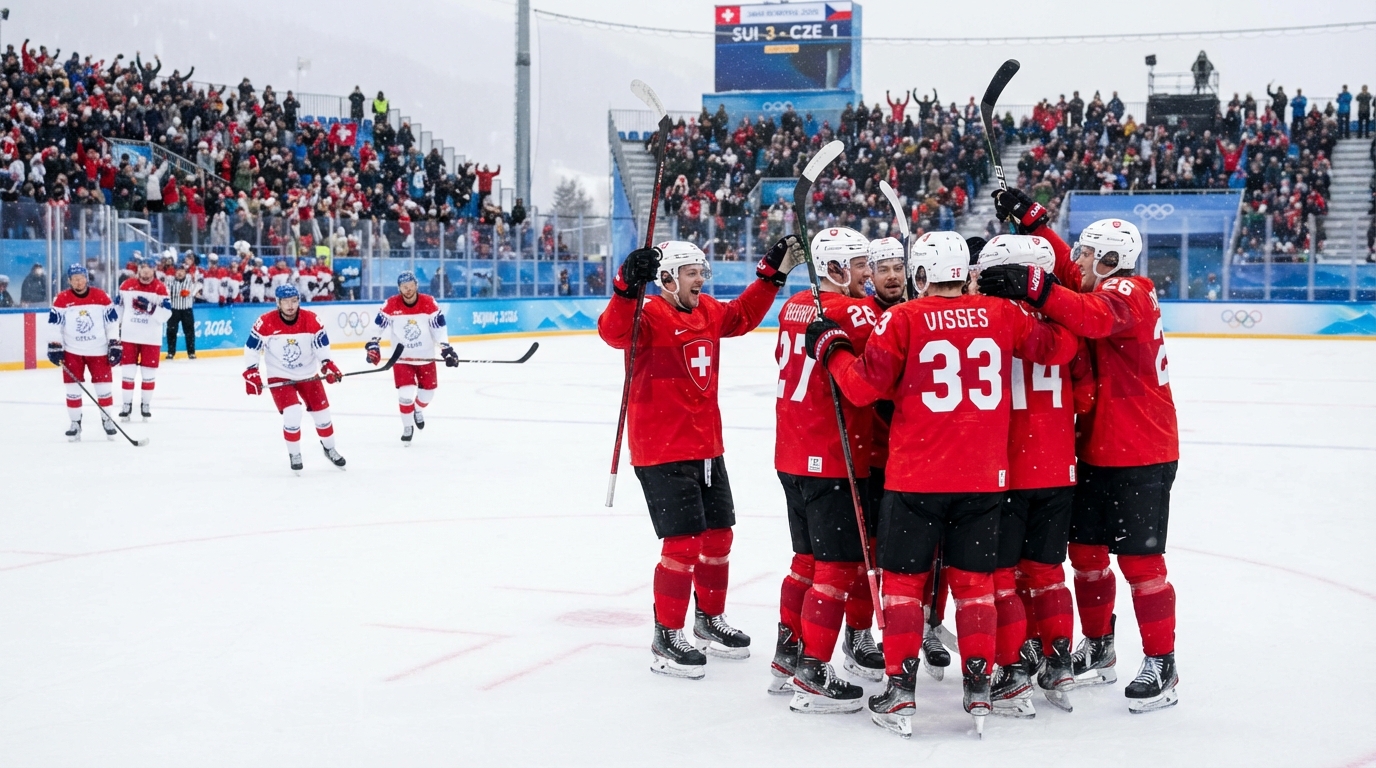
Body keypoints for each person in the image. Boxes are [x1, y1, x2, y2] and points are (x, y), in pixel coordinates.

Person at [804, 231, 1078, 737]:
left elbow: (862, 389)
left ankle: (900, 691)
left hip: (916, 477)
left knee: (906, 586)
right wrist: (1048, 291)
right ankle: (981, 684)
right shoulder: (1001, 315)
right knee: (975, 584)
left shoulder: (901, 318)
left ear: (921, 275)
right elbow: (1060, 347)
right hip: (984, 477)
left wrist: (832, 350)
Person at [978, 210, 1182, 714]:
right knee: (1087, 558)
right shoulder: (1104, 281)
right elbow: (1068, 275)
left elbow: (1091, 315)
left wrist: (1031, 282)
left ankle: (1163, 661)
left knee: (1140, 563)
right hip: (1093, 448)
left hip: (1140, 451)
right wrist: (1035, 223)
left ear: (1113, 261)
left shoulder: (1129, 292)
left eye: (1089, 255)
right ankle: (1101, 647)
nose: (1077, 262)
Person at [596, 237, 801, 679]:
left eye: (701, 272)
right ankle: (666, 635)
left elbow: (743, 316)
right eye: (692, 273)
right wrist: (626, 286)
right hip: (662, 449)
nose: (701, 280)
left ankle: (708, 619)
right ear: (666, 279)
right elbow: (612, 332)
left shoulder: (707, 309)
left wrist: (771, 275)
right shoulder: (647, 315)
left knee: (719, 537)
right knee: (684, 544)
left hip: (707, 446)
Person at [969, 234, 1091, 718]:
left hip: (1007, 469)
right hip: (1058, 466)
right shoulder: (1066, 321)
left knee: (1002, 575)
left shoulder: (992, 320)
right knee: (1045, 571)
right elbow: (1084, 394)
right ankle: (1058, 661)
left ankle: (1014, 671)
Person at [769, 228, 880, 713]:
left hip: (792, 454)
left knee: (806, 562)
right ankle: (814, 670)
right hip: (833, 456)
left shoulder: (795, 304)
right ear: (834, 269)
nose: (868, 274)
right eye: (858, 265)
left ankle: (787, 656)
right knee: (836, 568)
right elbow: (873, 383)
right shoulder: (852, 310)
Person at [243, 284, 346, 473]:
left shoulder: (311, 320)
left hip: (308, 375)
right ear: (278, 303)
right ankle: (295, 453)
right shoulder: (265, 322)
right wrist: (252, 371)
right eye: (285, 301)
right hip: (279, 376)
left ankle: (329, 448)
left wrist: (327, 364)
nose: (290, 306)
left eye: (294, 301)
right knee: (292, 414)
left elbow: (321, 345)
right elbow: (252, 348)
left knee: (323, 416)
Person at [365, 271, 459, 444]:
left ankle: (417, 410)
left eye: (410, 286)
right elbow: (377, 327)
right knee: (405, 394)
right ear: (399, 288)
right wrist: (373, 344)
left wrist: (446, 349)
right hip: (402, 359)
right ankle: (407, 427)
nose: (408, 290)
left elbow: (439, 329)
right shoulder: (391, 304)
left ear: (416, 285)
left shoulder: (428, 303)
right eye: (404, 287)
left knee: (427, 395)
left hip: (425, 358)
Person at [47, 264, 121, 441]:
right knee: (72, 390)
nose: (78, 282)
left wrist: (114, 343)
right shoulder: (62, 299)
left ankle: (107, 419)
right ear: (69, 281)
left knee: (104, 388)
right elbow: (54, 325)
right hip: (73, 352)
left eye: (81, 278)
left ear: (87, 278)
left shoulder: (101, 296)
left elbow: (111, 322)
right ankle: (75, 423)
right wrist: (55, 345)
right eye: (74, 279)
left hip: (99, 350)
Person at [116, 255, 172, 421]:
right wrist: (113, 334)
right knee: (128, 373)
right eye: (143, 272)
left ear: (154, 271)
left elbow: (166, 315)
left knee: (148, 374)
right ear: (138, 270)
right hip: (129, 336)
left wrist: (150, 308)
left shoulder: (161, 288)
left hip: (151, 338)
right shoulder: (126, 285)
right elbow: (118, 309)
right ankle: (126, 405)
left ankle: (145, 404)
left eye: (149, 272)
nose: (146, 276)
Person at [165, 262, 198, 359]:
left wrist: (191, 292)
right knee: (171, 331)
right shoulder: (169, 280)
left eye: (182, 271)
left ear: (185, 272)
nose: (179, 273)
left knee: (189, 331)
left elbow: (198, 286)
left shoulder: (190, 279)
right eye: (178, 270)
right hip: (174, 310)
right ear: (175, 271)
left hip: (186, 309)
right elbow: (166, 292)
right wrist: (175, 294)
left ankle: (191, 352)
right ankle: (171, 352)